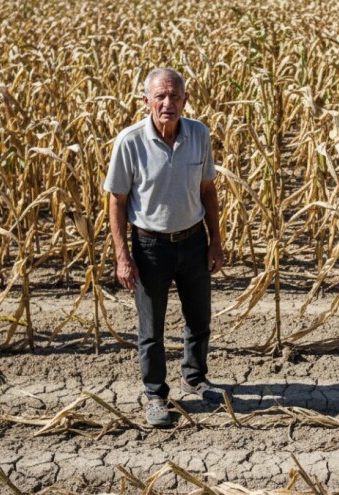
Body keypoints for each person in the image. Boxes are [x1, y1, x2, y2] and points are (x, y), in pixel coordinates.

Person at [104, 67, 226, 427]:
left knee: (199, 318)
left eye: (174, 96)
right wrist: (122, 256)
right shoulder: (129, 142)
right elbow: (117, 200)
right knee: (151, 329)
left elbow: (208, 190)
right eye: (160, 96)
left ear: (185, 100)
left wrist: (216, 240)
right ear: (146, 101)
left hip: (192, 242)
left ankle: (195, 375)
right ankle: (156, 395)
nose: (167, 103)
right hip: (149, 246)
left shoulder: (199, 134)